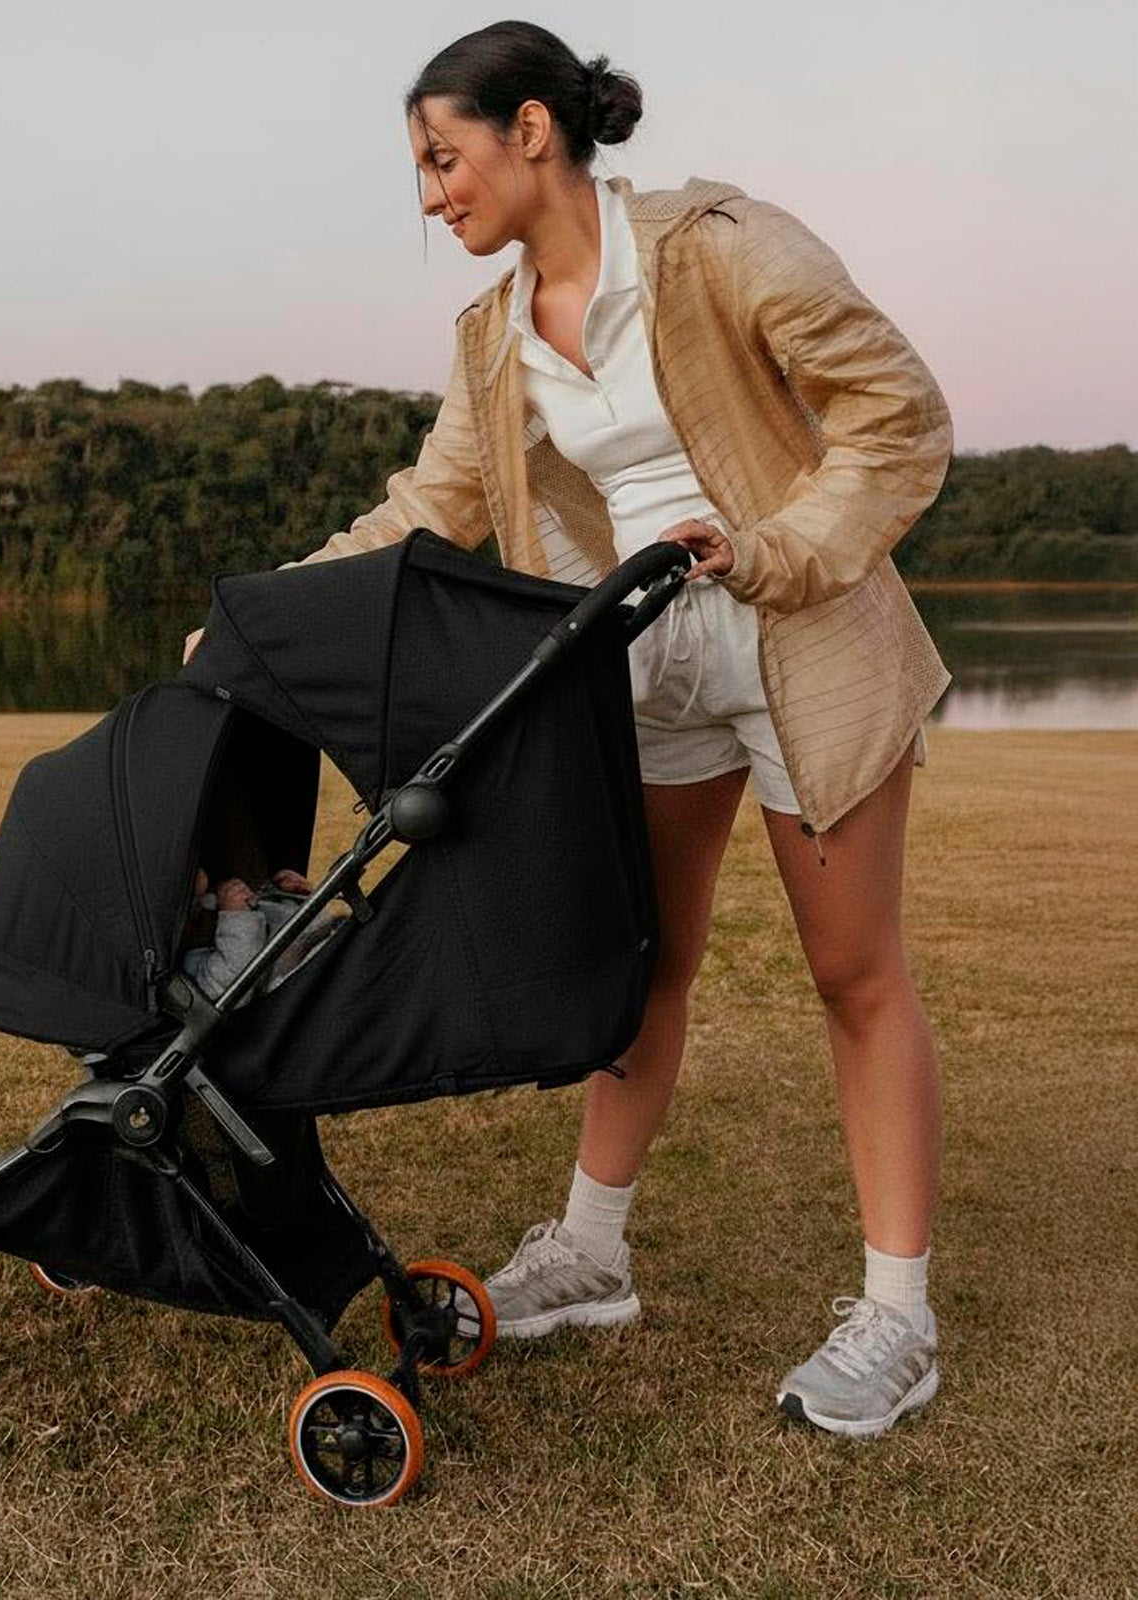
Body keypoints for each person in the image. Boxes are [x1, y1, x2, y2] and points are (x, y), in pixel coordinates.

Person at [186, 20, 951, 1438]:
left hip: (801, 634)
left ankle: (897, 1318)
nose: (431, 195)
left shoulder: (722, 249)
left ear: (530, 131)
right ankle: (592, 1253)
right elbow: (427, 514)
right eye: (422, 170)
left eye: (443, 158)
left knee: (854, 973)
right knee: (637, 959)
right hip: (639, 667)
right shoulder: (491, 338)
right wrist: (259, 623)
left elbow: (897, 418)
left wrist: (770, 551)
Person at [180, 867, 341, 1001]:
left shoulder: (226, 913)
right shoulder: (192, 971)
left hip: (327, 944)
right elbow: (233, 985)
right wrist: (237, 917)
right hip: (308, 988)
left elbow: (312, 927)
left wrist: (291, 895)